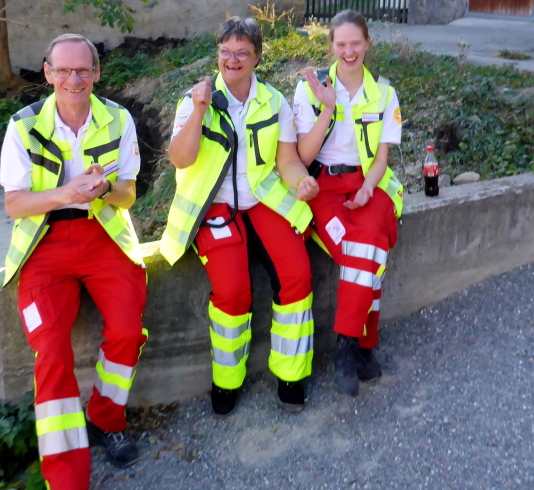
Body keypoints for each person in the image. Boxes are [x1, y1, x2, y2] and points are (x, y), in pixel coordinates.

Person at [0, 33, 148, 490]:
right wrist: (66, 194)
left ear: (96, 73)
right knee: (51, 351)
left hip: (103, 234)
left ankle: (105, 419)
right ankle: (65, 480)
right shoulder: (23, 125)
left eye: (82, 69)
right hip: (45, 242)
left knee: (128, 331)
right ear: (48, 73)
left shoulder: (118, 118)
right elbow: (14, 204)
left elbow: (128, 194)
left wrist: (103, 191)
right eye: (62, 70)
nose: (73, 79)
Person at [161, 16, 319, 417]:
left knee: (297, 277)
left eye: (242, 53)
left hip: (263, 200)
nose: (232, 60)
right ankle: (227, 380)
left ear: (257, 57)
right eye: (225, 52)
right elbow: (180, 158)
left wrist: (301, 181)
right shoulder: (195, 99)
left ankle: (291, 375)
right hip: (214, 205)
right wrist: (198, 112)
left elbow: (287, 161)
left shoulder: (273, 100)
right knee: (232, 292)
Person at [293, 10, 404, 397]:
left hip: (367, 183)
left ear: (368, 43)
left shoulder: (384, 93)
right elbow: (303, 157)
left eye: (356, 43)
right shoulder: (309, 88)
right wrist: (328, 106)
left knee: (369, 244)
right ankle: (361, 345)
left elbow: (381, 159)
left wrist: (368, 189)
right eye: (341, 44)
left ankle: (346, 347)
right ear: (331, 46)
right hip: (325, 188)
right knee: (365, 254)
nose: (349, 51)